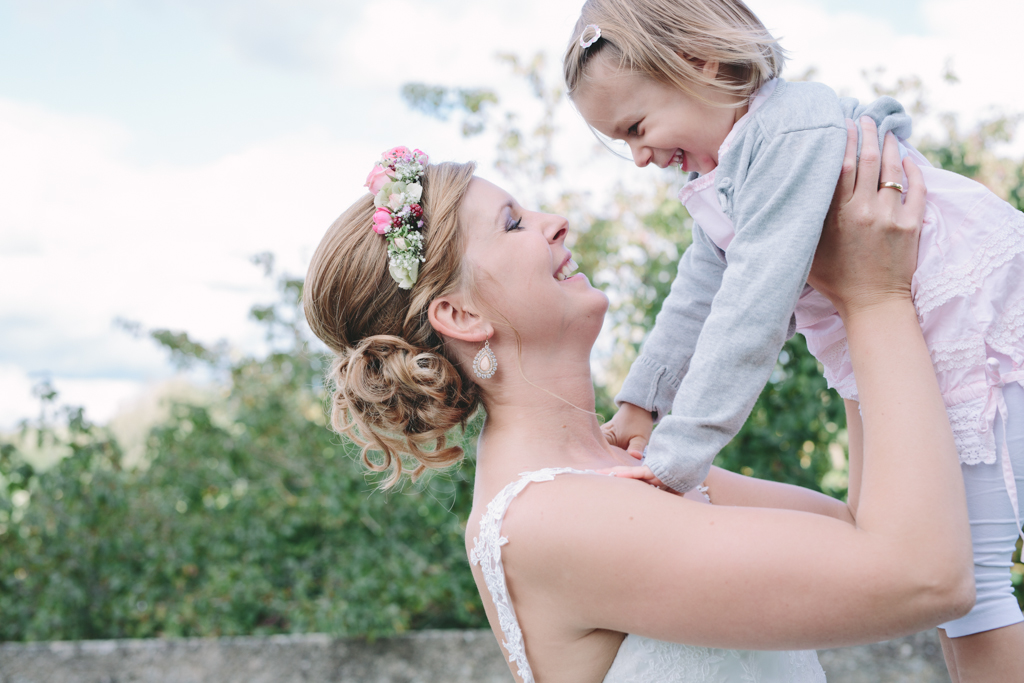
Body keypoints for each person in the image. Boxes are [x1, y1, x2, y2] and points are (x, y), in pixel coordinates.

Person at [302, 124, 973, 681]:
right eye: (513, 224)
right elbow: (925, 578)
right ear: (461, 314)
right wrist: (877, 297)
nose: (555, 222)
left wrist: (830, 298)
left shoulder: (621, 466)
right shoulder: (549, 518)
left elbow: (879, 526)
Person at [563, 1, 1024, 678]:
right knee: (935, 574)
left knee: (969, 579)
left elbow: (752, 306)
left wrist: (678, 455)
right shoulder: (728, 169)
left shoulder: (788, 131)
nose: (638, 157)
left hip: (968, 325)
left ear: (700, 63)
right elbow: (698, 294)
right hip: (902, 350)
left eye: (636, 126)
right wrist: (641, 405)